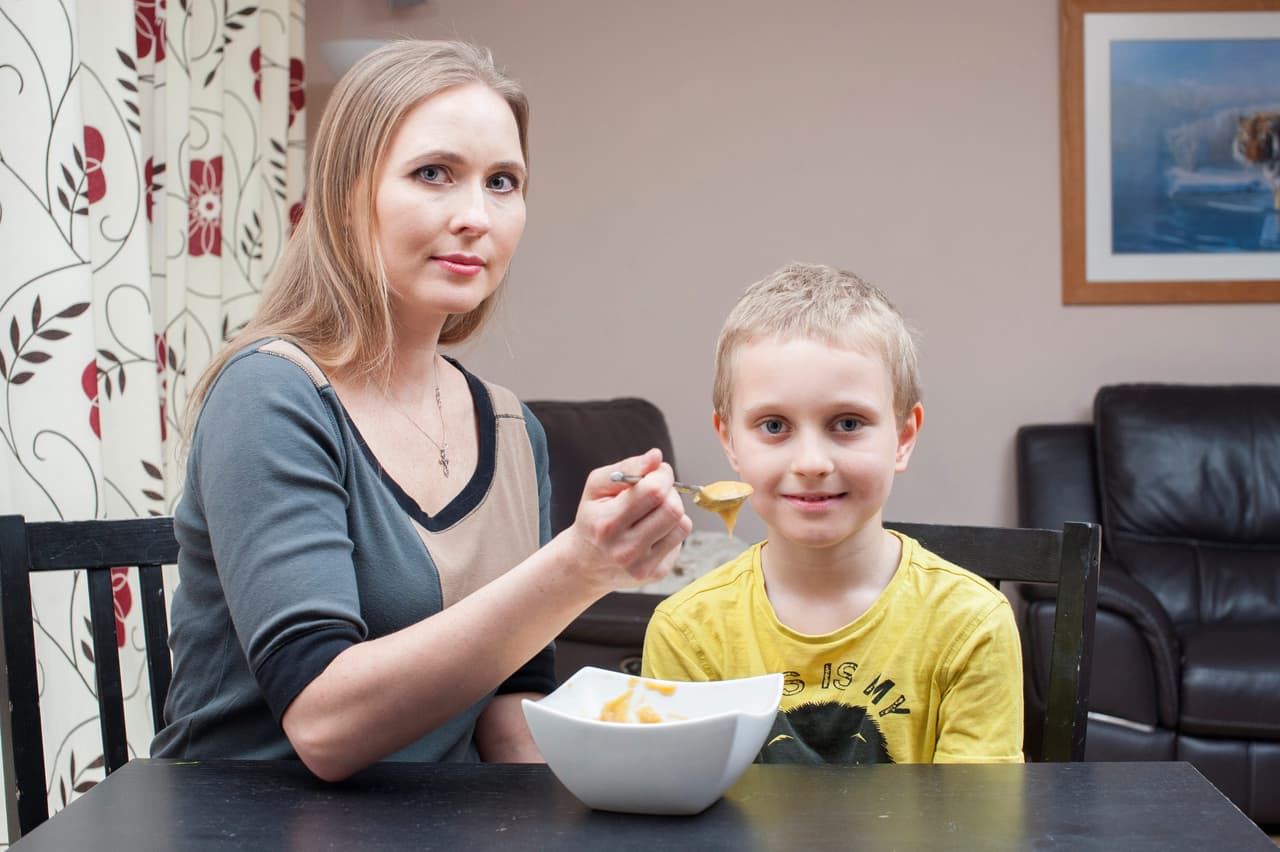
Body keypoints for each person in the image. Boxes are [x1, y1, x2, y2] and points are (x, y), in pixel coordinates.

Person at [151, 40, 691, 781]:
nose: (477, 216)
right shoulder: (269, 396)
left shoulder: (509, 429)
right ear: (347, 196)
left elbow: (511, 708)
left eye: (503, 182)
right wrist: (578, 568)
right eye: (433, 174)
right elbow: (323, 723)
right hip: (241, 823)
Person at [641, 263, 1023, 764]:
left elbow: (975, 832)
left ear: (904, 437)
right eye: (774, 425)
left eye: (847, 423)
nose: (812, 463)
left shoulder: (972, 626)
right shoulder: (687, 632)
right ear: (730, 440)